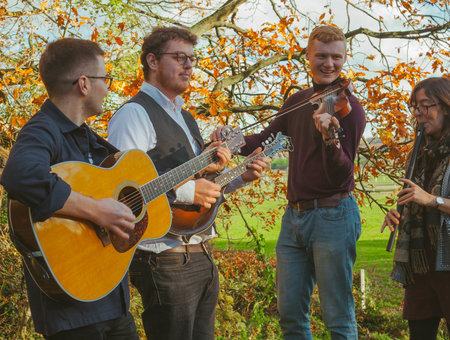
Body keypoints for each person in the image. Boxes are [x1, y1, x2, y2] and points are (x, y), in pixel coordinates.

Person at [107, 26, 269, 340]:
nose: (189, 66)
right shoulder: (134, 115)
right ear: (152, 61)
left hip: (201, 254)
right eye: (179, 57)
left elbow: (202, 186)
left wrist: (238, 178)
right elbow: (123, 190)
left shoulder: (187, 118)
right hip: (163, 258)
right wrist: (186, 190)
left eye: (191, 59)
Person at [212, 25, 366, 339]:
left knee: (338, 318)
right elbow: (264, 140)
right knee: (291, 316)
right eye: (321, 55)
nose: (329, 64)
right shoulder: (298, 100)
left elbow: (341, 175)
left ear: (345, 58)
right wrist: (230, 136)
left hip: (333, 216)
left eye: (336, 57)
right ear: (307, 55)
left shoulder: (350, 110)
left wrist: (330, 139)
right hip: (294, 217)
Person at [1, 38, 139, 340]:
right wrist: (96, 210)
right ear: (84, 84)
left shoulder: (89, 139)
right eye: (105, 79)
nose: (109, 87)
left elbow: (139, 185)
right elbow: (20, 174)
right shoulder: (43, 129)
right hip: (72, 315)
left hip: (113, 302)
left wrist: (206, 170)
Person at [382, 77, 450, 340]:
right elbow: (415, 198)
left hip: (447, 259)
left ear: (445, 106)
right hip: (421, 262)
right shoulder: (420, 151)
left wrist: (432, 200)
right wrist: (399, 212)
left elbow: (427, 198)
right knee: (420, 334)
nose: (418, 113)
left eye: (425, 106)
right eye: (414, 107)